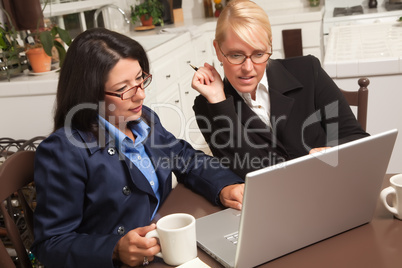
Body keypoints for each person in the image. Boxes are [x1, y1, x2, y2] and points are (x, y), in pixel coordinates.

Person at [31, 28, 244, 268]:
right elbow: (50, 244)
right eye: (123, 89)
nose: (140, 95)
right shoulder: (63, 151)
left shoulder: (144, 120)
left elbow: (185, 157)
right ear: (88, 94)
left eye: (140, 78)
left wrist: (225, 186)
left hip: (165, 250)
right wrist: (115, 249)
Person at [191, 0, 369, 179]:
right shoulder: (209, 106)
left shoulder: (307, 70)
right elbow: (245, 173)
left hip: (326, 185)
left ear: (270, 45)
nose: (248, 67)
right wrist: (220, 102)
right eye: (236, 55)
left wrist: (331, 151)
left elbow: (356, 138)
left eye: (259, 54)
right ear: (218, 50)